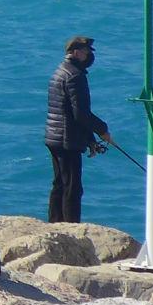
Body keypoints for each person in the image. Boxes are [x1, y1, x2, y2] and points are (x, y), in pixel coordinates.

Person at [45, 34, 111, 224]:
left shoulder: (60, 71)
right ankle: (70, 227)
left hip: (54, 136)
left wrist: (90, 139)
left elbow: (73, 113)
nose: (90, 55)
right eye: (87, 51)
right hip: (67, 140)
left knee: (59, 184)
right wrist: (102, 129)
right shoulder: (75, 76)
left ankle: (55, 222)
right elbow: (81, 114)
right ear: (76, 52)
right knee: (72, 187)